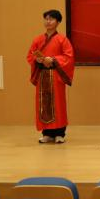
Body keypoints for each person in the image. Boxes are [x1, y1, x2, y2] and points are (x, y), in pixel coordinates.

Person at [26, 9, 75, 144]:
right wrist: (37, 59)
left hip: (56, 75)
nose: (48, 21)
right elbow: (30, 55)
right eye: (46, 19)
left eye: (51, 19)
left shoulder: (62, 39)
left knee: (58, 104)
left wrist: (53, 59)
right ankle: (46, 133)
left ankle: (60, 133)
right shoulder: (38, 40)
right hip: (42, 76)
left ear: (58, 22)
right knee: (44, 103)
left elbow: (69, 57)